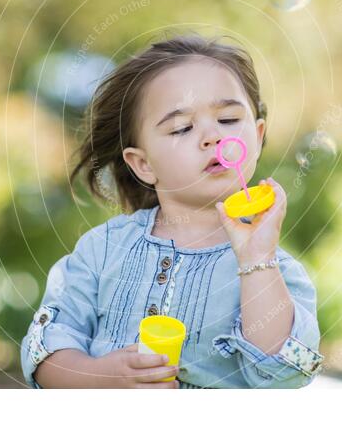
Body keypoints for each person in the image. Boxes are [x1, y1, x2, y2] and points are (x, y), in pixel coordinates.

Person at [20, 33, 324, 388]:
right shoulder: (102, 250)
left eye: (227, 120)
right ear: (143, 164)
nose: (212, 136)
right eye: (182, 127)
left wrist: (256, 260)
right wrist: (101, 377)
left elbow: (287, 373)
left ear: (257, 137)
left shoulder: (275, 270)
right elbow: (43, 352)